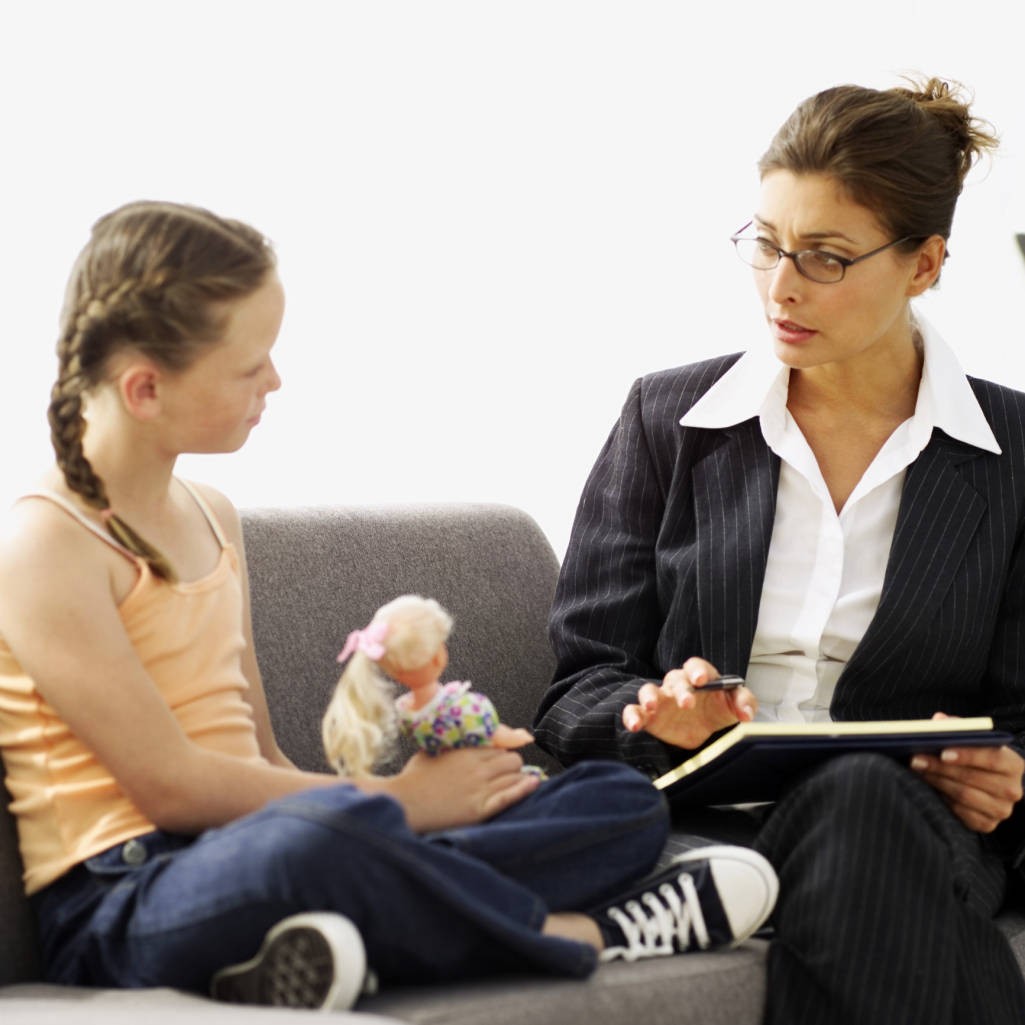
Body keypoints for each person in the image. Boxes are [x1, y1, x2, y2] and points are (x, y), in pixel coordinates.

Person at [0, 200, 778, 1010]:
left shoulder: (212, 515)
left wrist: (424, 802)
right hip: (129, 898)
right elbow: (172, 787)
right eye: (249, 365)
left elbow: (263, 759)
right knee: (328, 839)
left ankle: (330, 940)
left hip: (275, 846)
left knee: (617, 801)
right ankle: (589, 932)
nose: (275, 380)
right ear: (145, 387)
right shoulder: (45, 545)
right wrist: (399, 804)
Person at [534, 75, 1025, 1024]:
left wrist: (1004, 774)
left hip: (910, 827)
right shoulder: (667, 420)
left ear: (924, 264)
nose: (780, 286)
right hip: (690, 831)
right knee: (865, 845)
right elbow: (578, 684)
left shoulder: (1014, 457)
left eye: (826, 257)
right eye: (764, 244)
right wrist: (658, 718)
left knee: (859, 803)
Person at [322, 594, 539, 775]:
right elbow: (493, 734)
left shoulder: (405, 713)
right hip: (490, 774)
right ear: (437, 657)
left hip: (449, 783)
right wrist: (518, 736)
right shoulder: (463, 707)